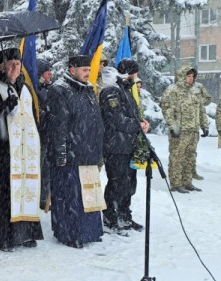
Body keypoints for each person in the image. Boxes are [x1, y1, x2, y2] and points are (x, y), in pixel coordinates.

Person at [0, 47, 43, 251]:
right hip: (2, 150)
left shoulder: (24, 87)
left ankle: (25, 232)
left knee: (26, 189)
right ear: (1, 66)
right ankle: (5, 237)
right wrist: (4, 106)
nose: (15, 69)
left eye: (18, 65)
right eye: (10, 65)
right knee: (4, 194)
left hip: (24, 151)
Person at [47, 55, 105, 248]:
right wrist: (60, 153)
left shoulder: (88, 89)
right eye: (84, 70)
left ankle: (90, 231)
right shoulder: (59, 90)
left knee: (88, 197)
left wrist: (97, 150)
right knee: (69, 197)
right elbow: (58, 125)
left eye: (89, 70)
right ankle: (70, 234)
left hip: (87, 151)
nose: (88, 73)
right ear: (72, 70)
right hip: (70, 155)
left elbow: (95, 121)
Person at [99, 60, 148, 233]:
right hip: (115, 146)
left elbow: (131, 114)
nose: (136, 77)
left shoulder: (125, 89)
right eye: (135, 73)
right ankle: (110, 217)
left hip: (127, 145)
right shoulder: (112, 90)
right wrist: (137, 125)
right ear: (129, 73)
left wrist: (141, 122)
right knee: (117, 183)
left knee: (128, 183)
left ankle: (124, 215)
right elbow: (115, 119)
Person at [161, 65, 208, 193]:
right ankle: (176, 184)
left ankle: (187, 182)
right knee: (177, 157)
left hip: (193, 130)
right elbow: (167, 110)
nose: (191, 79)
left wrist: (204, 125)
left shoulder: (195, 91)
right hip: (180, 132)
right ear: (182, 76)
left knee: (190, 157)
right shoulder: (172, 91)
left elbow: (201, 109)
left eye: (192, 76)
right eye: (188, 76)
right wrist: (173, 127)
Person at [36, 58, 53, 211]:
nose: (50, 75)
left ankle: (43, 199)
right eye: (48, 72)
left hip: (48, 136)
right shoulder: (34, 89)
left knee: (46, 171)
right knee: (37, 169)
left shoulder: (49, 88)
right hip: (38, 137)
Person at [190, 78, 213, 181]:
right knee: (179, 153)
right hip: (181, 129)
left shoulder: (198, 88)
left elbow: (201, 111)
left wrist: (204, 126)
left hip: (194, 128)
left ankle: (192, 172)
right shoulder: (177, 90)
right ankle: (178, 175)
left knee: (192, 152)